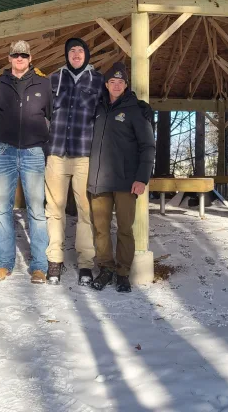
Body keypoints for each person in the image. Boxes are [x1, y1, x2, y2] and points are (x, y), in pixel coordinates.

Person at [87, 62, 155, 293]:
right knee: (101, 228)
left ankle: (123, 272)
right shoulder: (97, 108)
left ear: (126, 85)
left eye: (120, 82)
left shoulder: (136, 110)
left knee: (125, 229)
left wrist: (142, 178)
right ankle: (105, 268)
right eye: (112, 82)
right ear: (106, 85)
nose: (116, 85)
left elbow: (148, 146)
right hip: (99, 180)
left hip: (127, 181)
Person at [0, 40, 52, 284]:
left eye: (24, 55)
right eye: (15, 55)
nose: (20, 59)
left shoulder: (43, 84)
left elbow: (52, 113)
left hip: (33, 152)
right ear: (9, 58)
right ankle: (4, 264)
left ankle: (38, 266)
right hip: (4, 151)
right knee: (2, 208)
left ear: (30, 57)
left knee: (36, 210)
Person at [44, 38, 103, 286]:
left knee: (85, 211)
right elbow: (42, 110)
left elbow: (111, 108)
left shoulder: (98, 81)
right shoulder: (54, 79)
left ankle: (86, 264)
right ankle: (55, 260)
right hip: (56, 153)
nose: (76, 54)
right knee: (54, 210)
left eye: (80, 50)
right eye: (71, 51)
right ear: (66, 55)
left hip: (84, 156)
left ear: (87, 55)